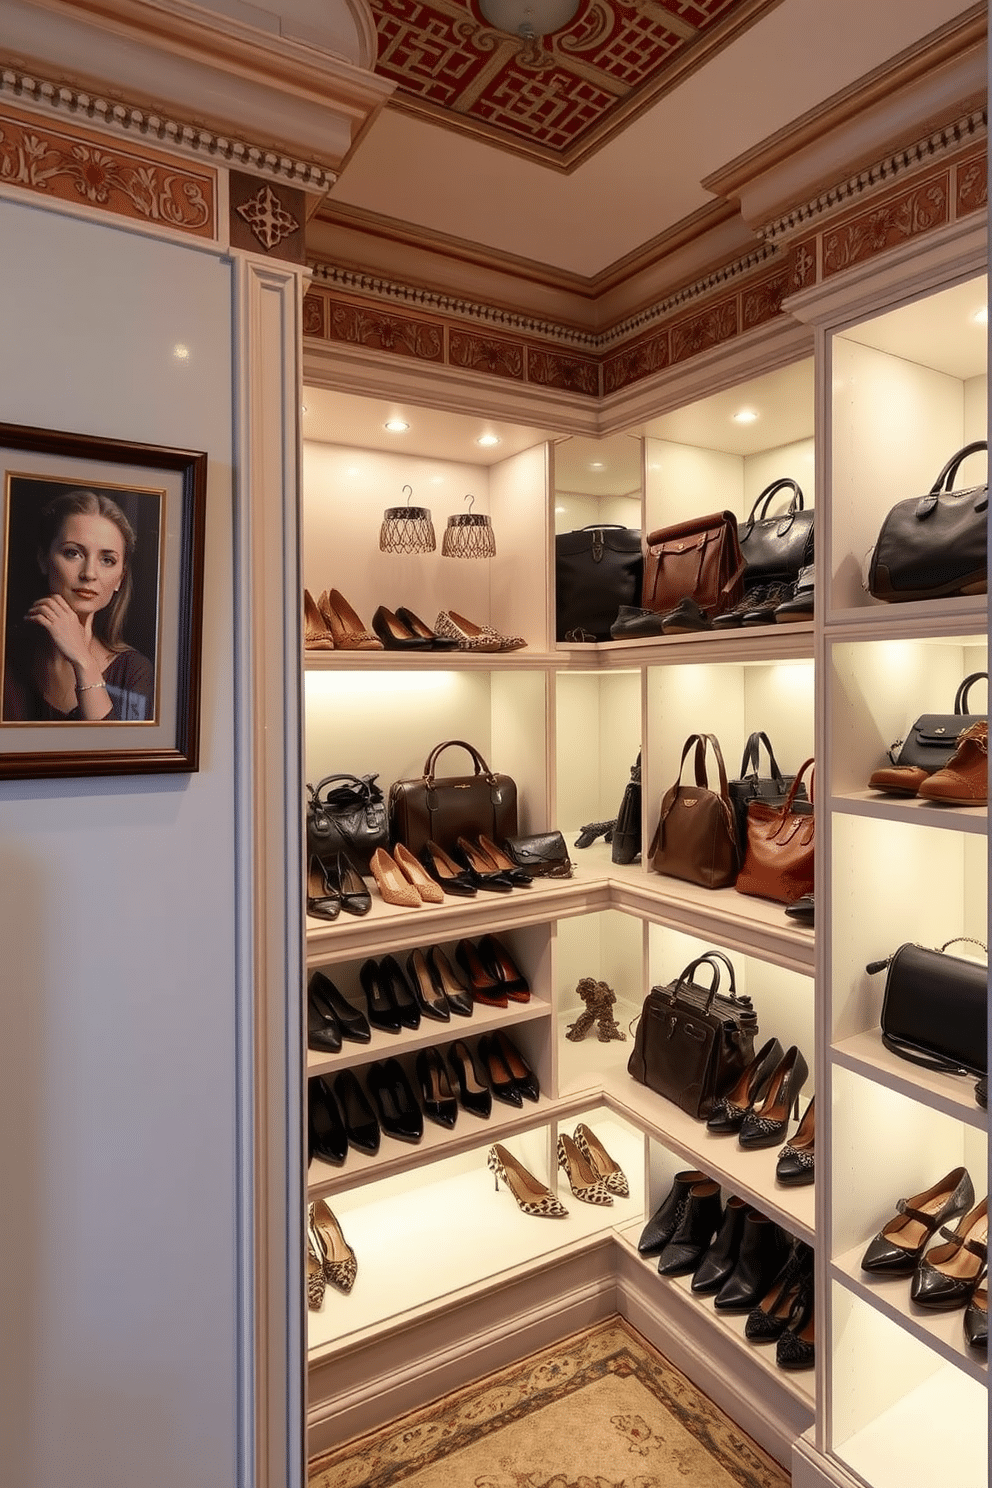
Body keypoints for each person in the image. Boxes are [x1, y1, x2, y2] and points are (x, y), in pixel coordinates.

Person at [2, 488, 154, 722]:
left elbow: (113, 757)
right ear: (43, 559)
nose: (89, 573)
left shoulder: (134, 670)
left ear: (120, 578)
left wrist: (82, 660)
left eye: (107, 560)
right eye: (73, 553)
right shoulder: (6, 655)